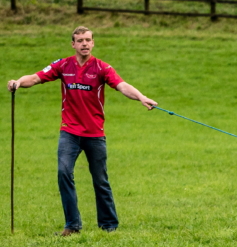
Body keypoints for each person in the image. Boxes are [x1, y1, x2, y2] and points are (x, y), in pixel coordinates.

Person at [6, 26, 157, 236]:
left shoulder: (103, 68)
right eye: (80, 40)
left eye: (88, 40)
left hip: (95, 133)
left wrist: (141, 97)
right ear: (73, 44)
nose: (84, 43)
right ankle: (72, 226)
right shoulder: (62, 65)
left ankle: (109, 225)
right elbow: (35, 77)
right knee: (63, 172)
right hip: (69, 132)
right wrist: (18, 83)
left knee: (100, 180)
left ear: (93, 43)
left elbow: (122, 85)